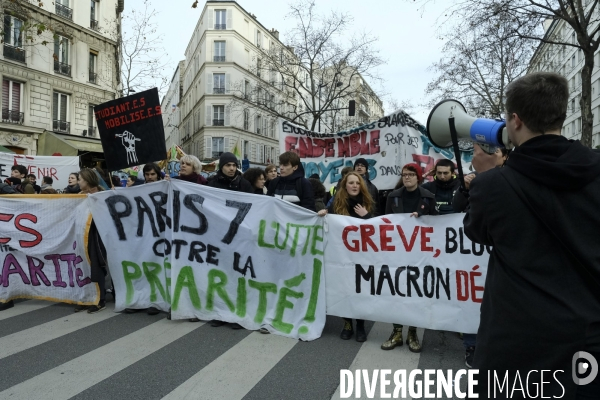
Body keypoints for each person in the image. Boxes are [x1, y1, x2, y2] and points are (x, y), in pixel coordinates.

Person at [464, 72, 600, 398]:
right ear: (561, 114)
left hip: (514, 347)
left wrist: (485, 178)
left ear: (515, 120)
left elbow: (476, 231)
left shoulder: (494, 184)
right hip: (587, 344)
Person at [452, 147, 509, 368]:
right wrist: (467, 190)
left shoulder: (513, 178)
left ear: (504, 156)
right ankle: (471, 345)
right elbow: (459, 208)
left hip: (497, 254)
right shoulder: (475, 180)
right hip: (472, 252)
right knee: (470, 298)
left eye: (494, 151)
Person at [381, 163, 437, 353]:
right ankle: (396, 332)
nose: (407, 178)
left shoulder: (428, 197)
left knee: (415, 293)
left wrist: (422, 217)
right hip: (397, 252)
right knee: (397, 291)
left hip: (419, 255)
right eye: (404, 174)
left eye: (411, 174)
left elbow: (436, 224)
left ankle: (412, 332)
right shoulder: (393, 196)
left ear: (418, 177)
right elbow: (386, 222)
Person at [317, 172, 375, 342]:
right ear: (345, 185)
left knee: (360, 290)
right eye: (351, 183)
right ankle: (347, 323)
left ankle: (361, 325)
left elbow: (377, 229)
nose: (355, 186)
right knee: (344, 289)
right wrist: (323, 214)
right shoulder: (336, 204)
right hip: (341, 255)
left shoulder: (367, 203)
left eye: (358, 183)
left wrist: (367, 216)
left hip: (362, 256)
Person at [208, 152, 253, 329]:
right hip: (219, 238)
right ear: (222, 166)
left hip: (240, 238)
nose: (232, 168)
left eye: (234, 165)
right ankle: (220, 313)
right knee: (221, 276)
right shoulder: (212, 185)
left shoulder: (244, 184)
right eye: (228, 165)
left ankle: (239, 313)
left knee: (239, 275)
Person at [74, 169, 108, 314]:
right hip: (81, 236)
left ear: (87, 181)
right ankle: (87, 297)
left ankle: (100, 299)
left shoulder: (100, 196)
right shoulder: (79, 197)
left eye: (80, 179)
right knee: (83, 266)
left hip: (95, 236)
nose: (78, 181)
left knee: (95, 266)